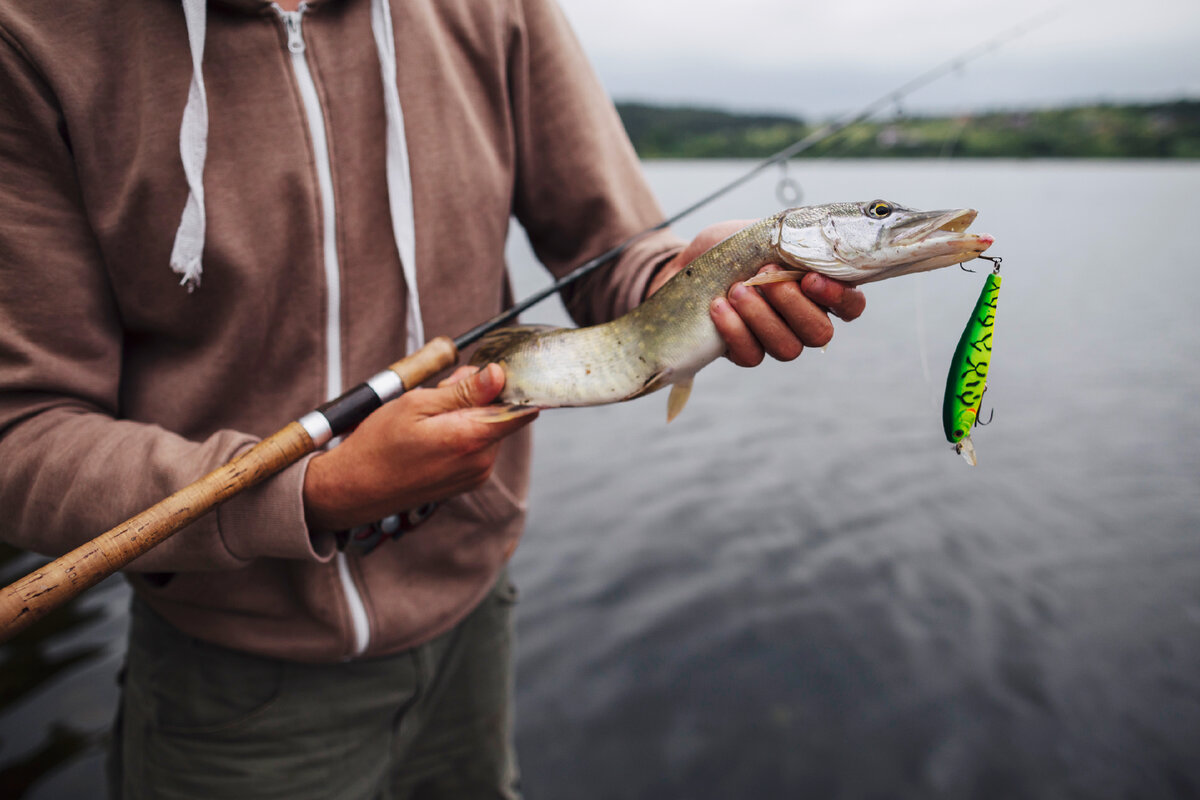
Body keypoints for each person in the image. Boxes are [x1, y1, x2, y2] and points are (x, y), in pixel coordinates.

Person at [0, 0, 865, 797]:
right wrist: (316, 492)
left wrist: (686, 283)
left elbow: (619, 251)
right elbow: (23, 435)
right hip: (229, 678)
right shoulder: (36, 34)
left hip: (475, 628)